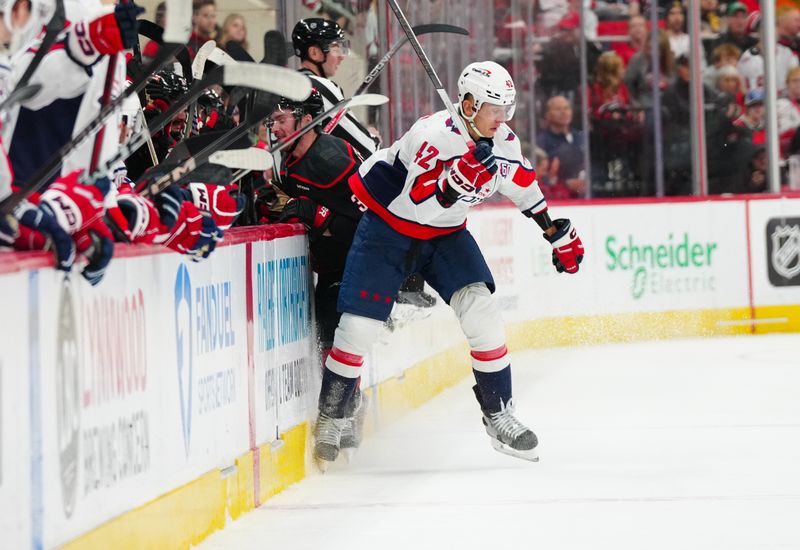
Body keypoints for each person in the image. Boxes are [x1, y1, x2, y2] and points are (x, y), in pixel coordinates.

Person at [311, 61, 585, 466]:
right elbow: (419, 203)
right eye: (494, 107)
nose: (501, 118)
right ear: (469, 103)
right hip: (389, 228)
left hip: (444, 234)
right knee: (359, 328)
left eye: (506, 108)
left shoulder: (502, 141)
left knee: (483, 312)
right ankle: (332, 415)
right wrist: (453, 182)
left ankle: (499, 415)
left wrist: (552, 230)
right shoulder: (433, 135)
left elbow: (523, 186)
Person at [267, 89, 368, 451]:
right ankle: (347, 409)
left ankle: (344, 412)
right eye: (273, 119)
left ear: (305, 121)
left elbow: (369, 219)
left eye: (281, 119)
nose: (274, 127)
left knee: (334, 335)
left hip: (354, 261)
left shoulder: (331, 159)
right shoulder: (287, 158)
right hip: (327, 261)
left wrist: (320, 217)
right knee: (328, 336)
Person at [291, 18, 376, 159]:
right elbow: (367, 148)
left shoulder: (290, 85)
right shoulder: (317, 87)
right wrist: (374, 138)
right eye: (335, 48)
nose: (342, 56)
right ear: (314, 53)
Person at [538, 95, 587, 198]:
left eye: (566, 108)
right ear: (548, 115)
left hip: (584, 196)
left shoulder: (581, 137)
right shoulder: (541, 141)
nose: (563, 112)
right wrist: (565, 184)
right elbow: (539, 175)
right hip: (556, 198)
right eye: (558, 109)